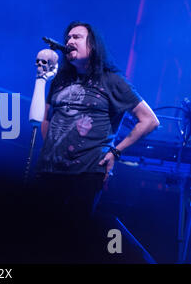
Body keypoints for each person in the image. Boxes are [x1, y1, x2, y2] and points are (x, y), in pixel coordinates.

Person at [31, 21, 160, 260]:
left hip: (86, 173)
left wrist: (116, 151)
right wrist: (52, 148)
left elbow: (149, 120)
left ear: (93, 44)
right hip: (49, 171)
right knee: (41, 236)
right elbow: (46, 119)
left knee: (71, 238)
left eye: (77, 37)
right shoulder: (60, 80)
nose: (69, 41)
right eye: (68, 37)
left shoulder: (112, 81)